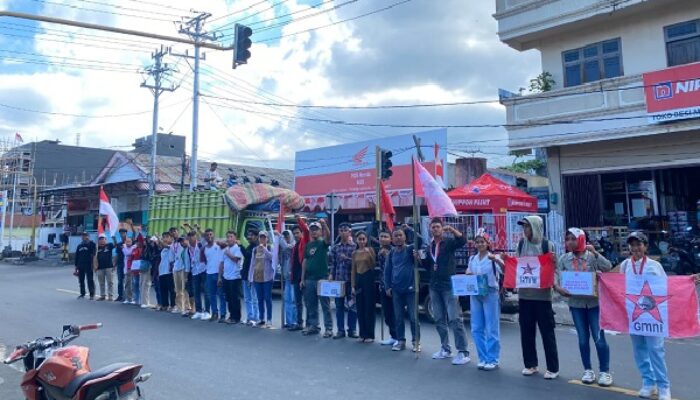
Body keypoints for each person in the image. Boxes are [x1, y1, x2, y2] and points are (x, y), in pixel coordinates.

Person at [554, 228, 613, 386]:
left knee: (599, 338)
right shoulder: (564, 259)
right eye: (567, 239)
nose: (570, 242)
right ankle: (588, 369)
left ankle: (605, 372)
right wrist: (558, 288)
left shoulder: (591, 256)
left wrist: (595, 253)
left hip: (594, 304)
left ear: (581, 239)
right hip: (576, 304)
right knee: (582, 339)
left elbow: (608, 267)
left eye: (573, 239)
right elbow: (557, 278)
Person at [621, 232, 670, 399]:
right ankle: (648, 382)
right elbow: (617, 284)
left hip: (652, 316)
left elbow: (667, 287)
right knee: (639, 349)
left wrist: (688, 280)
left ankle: (664, 386)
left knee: (656, 350)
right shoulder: (625, 265)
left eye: (638, 244)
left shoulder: (654, 266)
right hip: (635, 316)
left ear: (645, 246)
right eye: (632, 245)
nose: (635, 248)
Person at [516, 216, 559, 379]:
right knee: (526, 331)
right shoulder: (521, 244)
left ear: (535, 227)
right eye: (523, 227)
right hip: (525, 295)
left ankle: (553, 367)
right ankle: (530, 364)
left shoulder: (547, 245)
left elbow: (554, 267)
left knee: (547, 332)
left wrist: (555, 282)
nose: (524, 230)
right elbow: (517, 265)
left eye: (527, 227)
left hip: (543, 296)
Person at [423, 218, 470, 365]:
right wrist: (419, 258)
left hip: (449, 285)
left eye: (438, 227)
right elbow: (428, 265)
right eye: (433, 227)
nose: (435, 229)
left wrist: (452, 230)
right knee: (438, 318)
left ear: (442, 229)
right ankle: (445, 348)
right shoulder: (429, 246)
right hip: (434, 285)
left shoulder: (448, 242)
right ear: (430, 229)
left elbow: (463, 241)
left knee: (454, 319)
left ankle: (463, 351)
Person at [466, 230, 504, 371]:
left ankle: (492, 358)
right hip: (475, 294)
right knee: (476, 327)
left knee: (491, 327)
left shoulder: (493, 257)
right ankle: (482, 357)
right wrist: (468, 274)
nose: (480, 244)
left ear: (488, 243)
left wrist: (497, 260)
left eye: (482, 241)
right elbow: (468, 273)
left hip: (490, 293)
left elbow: (506, 270)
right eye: (477, 242)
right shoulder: (472, 259)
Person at [385, 228, 419, 352]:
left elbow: (420, 240)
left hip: (410, 288)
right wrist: (387, 286)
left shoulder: (410, 249)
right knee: (398, 317)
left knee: (413, 317)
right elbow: (387, 271)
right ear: (392, 239)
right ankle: (400, 341)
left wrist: (410, 229)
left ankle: (416, 341)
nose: (398, 238)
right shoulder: (391, 253)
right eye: (396, 236)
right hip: (396, 289)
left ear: (405, 237)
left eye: (400, 235)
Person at [301, 220, 333, 338]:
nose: (314, 232)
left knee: (325, 305)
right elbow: (305, 261)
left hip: (322, 278)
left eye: (316, 229)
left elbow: (328, 237)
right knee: (311, 304)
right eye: (312, 230)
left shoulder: (322, 243)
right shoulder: (308, 245)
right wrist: (302, 279)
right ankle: (314, 326)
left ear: (320, 231)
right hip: (309, 279)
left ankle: (329, 328)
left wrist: (325, 225)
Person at [330, 222, 358, 339]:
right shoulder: (335, 247)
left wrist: (346, 259)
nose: (343, 232)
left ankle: (352, 330)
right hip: (338, 281)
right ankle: (340, 330)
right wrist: (331, 274)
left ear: (350, 232)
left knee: (352, 306)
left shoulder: (355, 247)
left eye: (345, 230)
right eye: (341, 230)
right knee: (339, 306)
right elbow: (333, 263)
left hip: (351, 281)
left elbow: (358, 264)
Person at [352, 231, 376, 343]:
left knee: (369, 307)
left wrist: (369, 254)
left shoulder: (370, 250)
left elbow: (373, 265)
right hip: (359, 279)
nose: (361, 241)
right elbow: (353, 270)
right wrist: (353, 285)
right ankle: (362, 333)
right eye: (359, 239)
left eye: (363, 239)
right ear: (356, 240)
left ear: (366, 240)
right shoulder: (355, 253)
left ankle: (370, 334)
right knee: (360, 307)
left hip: (368, 278)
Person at [288, 218, 310, 331]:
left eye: (298, 232)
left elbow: (306, 231)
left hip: (304, 276)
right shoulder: (295, 245)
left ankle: (309, 324)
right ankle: (299, 323)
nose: (296, 235)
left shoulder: (304, 241)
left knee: (307, 302)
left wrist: (298, 219)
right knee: (298, 302)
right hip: (295, 277)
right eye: (294, 233)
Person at [249, 231, 275, 328]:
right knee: (259, 299)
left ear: (267, 239)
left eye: (264, 237)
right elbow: (252, 264)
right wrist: (250, 277)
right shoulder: (255, 250)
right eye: (261, 237)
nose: (262, 239)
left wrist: (264, 249)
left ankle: (269, 319)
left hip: (267, 278)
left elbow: (273, 258)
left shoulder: (269, 248)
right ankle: (261, 318)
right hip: (257, 277)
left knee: (267, 298)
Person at [376, 231, 398, 346]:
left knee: (396, 313)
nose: (383, 239)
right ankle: (393, 336)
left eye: (386, 237)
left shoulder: (394, 250)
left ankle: (399, 337)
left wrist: (388, 255)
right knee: (387, 313)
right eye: (381, 236)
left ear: (390, 239)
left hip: (393, 286)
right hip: (383, 285)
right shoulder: (379, 251)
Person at [203, 229, 226, 322]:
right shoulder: (205, 248)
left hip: (218, 273)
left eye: (211, 234)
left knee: (221, 294)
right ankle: (214, 313)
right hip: (209, 273)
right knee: (211, 295)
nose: (209, 236)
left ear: (214, 235)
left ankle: (223, 315)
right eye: (207, 235)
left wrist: (218, 241)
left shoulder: (218, 245)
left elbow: (226, 243)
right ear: (205, 237)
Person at [221, 231, 243, 324]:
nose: (229, 239)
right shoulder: (225, 249)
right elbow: (222, 263)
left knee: (235, 298)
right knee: (229, 298)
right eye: (228, 237)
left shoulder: (237, 248)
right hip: (226, 276)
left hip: (235, 277)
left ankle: (236, 317)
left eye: (231, 237)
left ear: (235, 238)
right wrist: (220, 276)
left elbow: (236, 259)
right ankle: (231, 315)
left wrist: (228, 254)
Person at [189, 231, 211, 320]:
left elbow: (204, 236)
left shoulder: (201, 244)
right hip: (195, 271)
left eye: (192, 236)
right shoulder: (189, 247)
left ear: (196, 237)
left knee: (206, 291)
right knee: (196, 291)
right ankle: (198, 311)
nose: (190, 239)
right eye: (189, 237)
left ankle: (207, 312)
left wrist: (197, 229)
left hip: (204, 269)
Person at [241, 230, 260, 325]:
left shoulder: (256, 247)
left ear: (256, 236)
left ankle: (256, 318)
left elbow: (248, 256)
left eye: (251, 235)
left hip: (252, 276)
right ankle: (250, 317)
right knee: (247, 298)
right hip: (245, 275)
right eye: (248, 235)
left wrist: (240, 246)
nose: (249, 237)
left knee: (254, 298)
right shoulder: (249, 246)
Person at [279, 230, 297, 329]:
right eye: (284, 237)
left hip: (293, 278)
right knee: (287, 300)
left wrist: (279, 238)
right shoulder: (283, 248)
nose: (286, 238)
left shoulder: (293, 245)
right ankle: (289, 322)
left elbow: (286, 247)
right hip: (286, 278)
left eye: (287, 236)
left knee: (293, 300)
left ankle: (294, 321)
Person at [74, 232, 96, 300]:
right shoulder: (79, 246)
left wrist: (93, 264)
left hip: (89, 265)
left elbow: (94, 252)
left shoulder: (91, 244)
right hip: (80, 265)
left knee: (90, 280)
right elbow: (77, 256)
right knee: (81, 280)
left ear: (88, 236)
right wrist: (76, 266)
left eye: (86, 236)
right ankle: (82, 293)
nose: (84, 237)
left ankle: (91, 294)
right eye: (83, 236)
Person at [157, 232, 176, 312]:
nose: (165, 239)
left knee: (171, 289)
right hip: (162, 271)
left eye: (166, 237)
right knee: (163, 289)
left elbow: (164, 245)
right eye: (163, 237)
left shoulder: (171, 246)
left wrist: (158, 238)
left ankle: (173, 305)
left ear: (171, 238)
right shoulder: (163, 249)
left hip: (169, 271)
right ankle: (165, 305)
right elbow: (160, 246)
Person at [113, 226, 132, 302]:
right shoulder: (119, 244)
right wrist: (114, 264)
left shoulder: (130, 242)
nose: (122, 234)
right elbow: (117, 254)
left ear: (126, 234)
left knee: (128, 281)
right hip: (120, 264)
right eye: (121, 233)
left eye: (123, 233)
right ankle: (120, 296)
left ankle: (128, 296)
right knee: (120, 281)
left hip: (128, 264)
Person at [173, 237, 190, 316]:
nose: (182, 243)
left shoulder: (188, 249)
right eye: (181, 242)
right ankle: (180, 307)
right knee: (178, 290)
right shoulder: (182, 250)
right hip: (176, 269)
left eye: (183, 241)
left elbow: (187, 263)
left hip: (183, 270)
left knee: (184, 290)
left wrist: (186, 274)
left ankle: (186, 307)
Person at [94, 234, 115, 301]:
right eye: (100, 239)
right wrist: (94, 267)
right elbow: (94, 258)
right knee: (101, 282)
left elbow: (115, 244)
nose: (101, 240)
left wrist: (114, 238)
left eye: (103, 239)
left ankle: (110, 296)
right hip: (100, 267)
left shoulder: (109, 245)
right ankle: (102, 295)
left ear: (106, 239)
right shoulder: (97, 248)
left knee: (110, 282)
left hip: (109, 267)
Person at [139, 236, 156, 309]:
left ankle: (145, 302)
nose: (146, 242)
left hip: (148, 267)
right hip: (143, 267)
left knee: (146, 285)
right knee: (141, 283)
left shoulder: (151, 248)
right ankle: (143, 301)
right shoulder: (144, 248)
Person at [130, 235, 144, 306]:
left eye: (139, 241)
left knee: (141, 285)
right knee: (135, 284)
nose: (138, 243)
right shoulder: (134, 249)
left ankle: (142, 300)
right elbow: (131, 259)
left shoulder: (144, 249)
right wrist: (130, 267)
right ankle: (136, 299)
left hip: (142, 269)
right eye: (137, 242)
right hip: (135, 270)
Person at [122, 237, 135, 305]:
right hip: (126, 269)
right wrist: (124, 246)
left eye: (129, 241)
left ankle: (132, 298)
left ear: (132, 242)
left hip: (133, 268)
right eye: (126, 242)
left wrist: (124, 246)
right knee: (127, 284)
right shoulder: (124, 248)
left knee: (132, 284)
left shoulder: (133, 248)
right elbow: (126, 253)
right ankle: (127, 298)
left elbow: (129, 253)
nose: (128, 243)